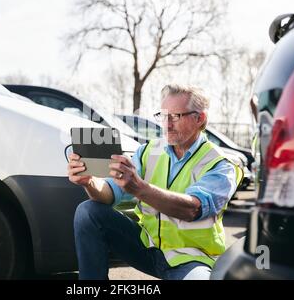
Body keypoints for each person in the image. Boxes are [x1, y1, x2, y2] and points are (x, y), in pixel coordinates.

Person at [67, 85, 243, 280]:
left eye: (175, 117)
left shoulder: (221, 164)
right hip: (147, 246)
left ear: (199, 119)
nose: (166, 125)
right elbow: (109, 193)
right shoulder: (148, 151)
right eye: (163, 115)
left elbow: (191, 209)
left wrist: (139, 188)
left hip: (192, 258)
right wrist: (90, 182)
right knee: (88, 211)